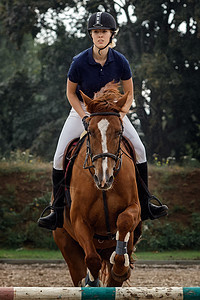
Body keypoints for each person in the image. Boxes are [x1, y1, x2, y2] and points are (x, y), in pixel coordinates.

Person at [38, 12, 168, 230]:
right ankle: (57, 211)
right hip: (83, 111)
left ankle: (146, 205)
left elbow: (130, 94)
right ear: (91, 35)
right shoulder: (79, 61)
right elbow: (71, 94)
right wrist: (84, 116)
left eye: (104, 32)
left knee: (140, 149)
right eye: (96, 32)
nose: (100, 35)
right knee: (59, 156)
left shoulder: (121, 61)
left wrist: (121, 116)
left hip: (114, 114)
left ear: (111, 35)